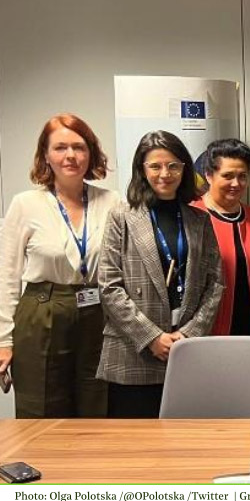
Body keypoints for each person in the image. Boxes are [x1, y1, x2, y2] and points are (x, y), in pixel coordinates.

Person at [0, 114, 120, 418]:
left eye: (79, 147)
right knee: (42, 410)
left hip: (98, 312)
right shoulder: (25, 204)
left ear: (90, 153)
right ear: (45, 155)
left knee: (97, 406)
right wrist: (3, 340)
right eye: (60, 147)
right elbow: (7, 276)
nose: (71, 156)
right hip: (42, 311)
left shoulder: (113, 202)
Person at [97, 131, 223, 418]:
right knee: (135, 452)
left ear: (184, 169)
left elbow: (215, 284)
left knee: (184, 447)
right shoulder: (122, 216)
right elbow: (109, 286)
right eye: (155, 166)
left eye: (173, 166)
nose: (164, 174)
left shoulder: (199, 219)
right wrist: (152, 337)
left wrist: (189, 334)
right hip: (134, 353)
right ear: (142, 170)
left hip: (185, 349)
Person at [192, 139, 250, 338]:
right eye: (227, 176)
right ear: (209, 175)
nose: (236, 183)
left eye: (242, 176)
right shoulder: (191, 216)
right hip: (205, 333)